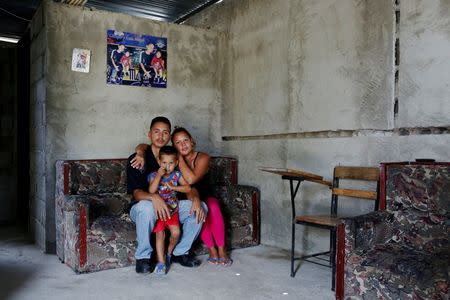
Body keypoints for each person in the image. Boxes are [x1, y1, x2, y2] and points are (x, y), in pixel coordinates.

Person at [135, 127, 233, 266]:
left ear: (191, 141)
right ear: (173, 145)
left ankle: (220, 251)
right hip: (183, 198)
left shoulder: (199, 158)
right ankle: (211, 250)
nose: (183, 145)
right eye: (178, 143)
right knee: (196, 210)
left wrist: (178, 158)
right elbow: (147, 146)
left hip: (203, 193)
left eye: (185, 140)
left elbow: (191, 181)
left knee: (210, 207)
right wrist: (140, 151)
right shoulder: (169, 162)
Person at [127, 117, 207, 274]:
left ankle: (180, 253)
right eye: (156, 132)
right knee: (145, 207)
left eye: (165, 132)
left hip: (171, 206)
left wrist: (196, 199)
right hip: (144, 208)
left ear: (169, 136)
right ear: (149, 134)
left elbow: (189, 186)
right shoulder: (138, 159)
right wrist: (154, 198)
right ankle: (143, 257)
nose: (160, 136)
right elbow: (136, 194)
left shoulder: (174, 157)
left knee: (201, 207)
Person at [149, 145, 191, 275]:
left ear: (177, 163)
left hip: (173, 210)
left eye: (171, 163)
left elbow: (188, 188)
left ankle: (168, 253)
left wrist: (174, 187)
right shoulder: (154, 175)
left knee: (176, 233)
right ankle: (161, 263)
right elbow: (151, 190)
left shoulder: (177, 175)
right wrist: (158, 176)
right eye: (164, 163)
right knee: (160, 235)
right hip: (160, 212)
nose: (167, 166)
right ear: (159, 162)